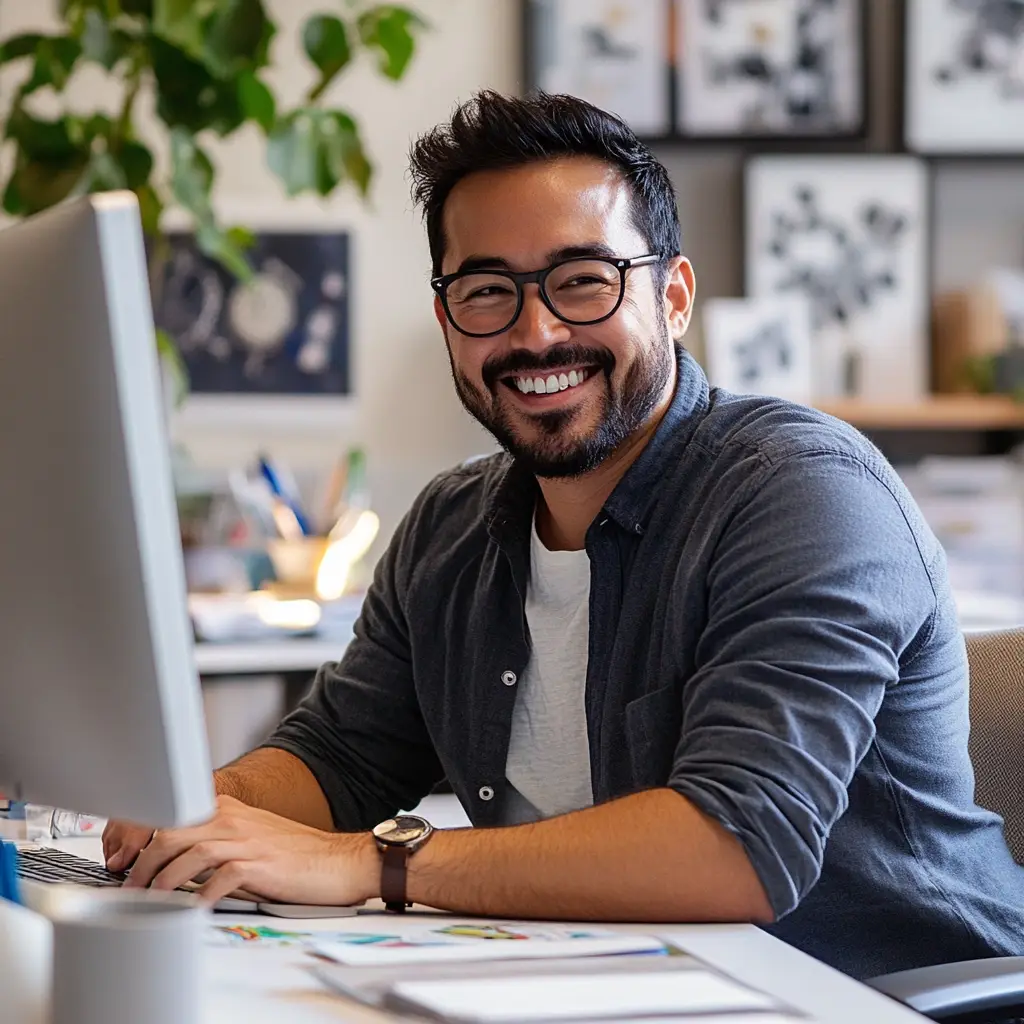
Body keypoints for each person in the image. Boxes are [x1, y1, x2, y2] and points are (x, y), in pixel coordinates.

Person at [106, 91, 1024, 980]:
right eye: (486, 290)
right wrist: (205, 810)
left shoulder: (802, 494)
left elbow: (738, 846)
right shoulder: (447, 529)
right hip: (606, 986)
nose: (536, 332)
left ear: (673, 297)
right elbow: (339, 756)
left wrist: (373, 865)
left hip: (877, 995)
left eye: (584, 281)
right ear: (446, 319)